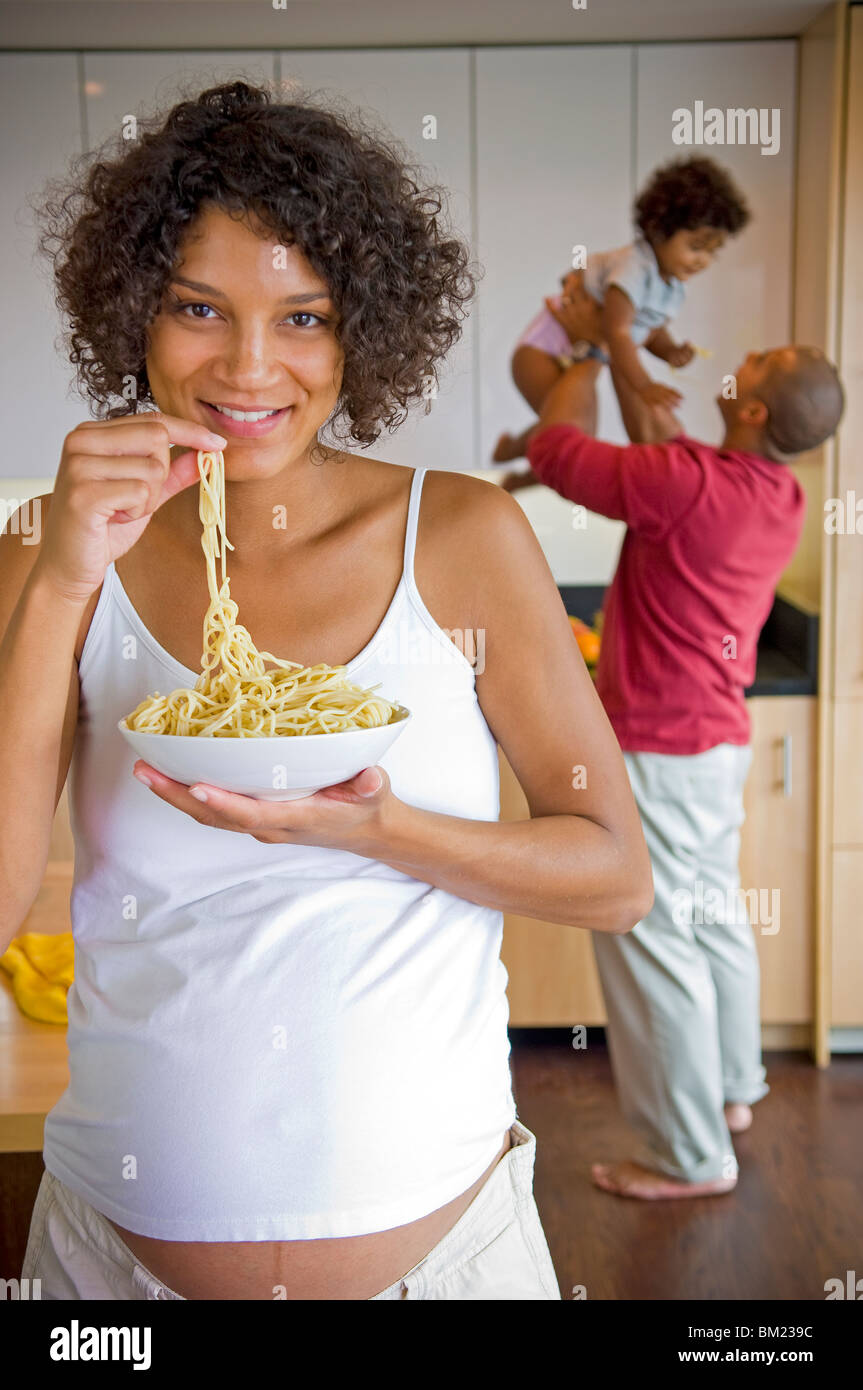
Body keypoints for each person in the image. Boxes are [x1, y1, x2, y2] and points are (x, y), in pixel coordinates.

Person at [1, 80, 653, 1299]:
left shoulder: (462, 532)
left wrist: (382, 829)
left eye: (302, 317)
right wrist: (55, 588)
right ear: (133, 307)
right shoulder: (50, 547)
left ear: (360, 328)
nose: (250, 367)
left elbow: (615, 876)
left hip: (451, 1262)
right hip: (108, 1276)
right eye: (200, 307)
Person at [503, 286, 844, 1199]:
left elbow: (558, 452)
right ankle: (733, 1090)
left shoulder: (690, 483)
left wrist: (586, 349)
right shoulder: (769, 491)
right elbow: (659, 442)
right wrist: (616, 342)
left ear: (755, 408)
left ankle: (688, 1155)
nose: (742, 361)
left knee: (651, 935)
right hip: (711, 744)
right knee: (710, 919)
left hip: (659, 748)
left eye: (759, 364)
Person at [492, 156, 750, 463]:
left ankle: (515, 458)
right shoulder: (633, 269)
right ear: (658, 229)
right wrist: (644, 385)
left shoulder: (670, 284)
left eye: (713, 251)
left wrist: (669, 351)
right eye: (696, 247)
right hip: (539, 354)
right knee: (572, 433)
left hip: (572, 354)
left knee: (568, 429)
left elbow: (649, 329)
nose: (703, 260)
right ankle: (516, 460)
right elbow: (618, 331)